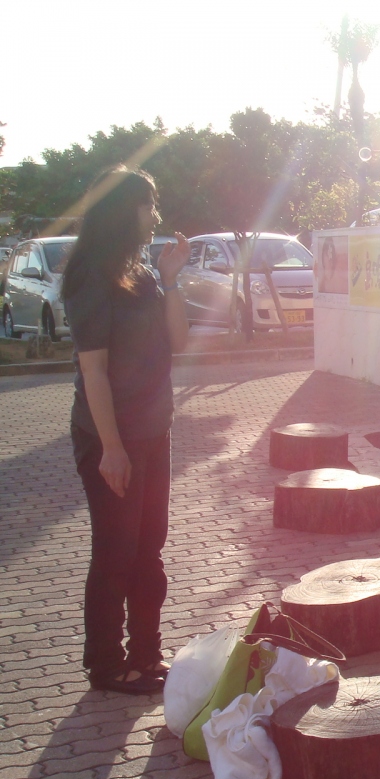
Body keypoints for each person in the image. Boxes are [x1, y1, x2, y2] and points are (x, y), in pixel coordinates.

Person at [62, 166, 191, 694]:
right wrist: (111, 449)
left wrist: (171, 279)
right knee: (116, 551)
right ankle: (107, 664)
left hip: (153, 430)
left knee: (149, 549)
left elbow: (179, 341)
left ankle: (146, 655)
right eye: (148, 204)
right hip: (109, 438)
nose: (155, 215)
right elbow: (93, 371)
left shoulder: (141, 275)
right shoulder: (90, 276)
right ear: (124, 210)